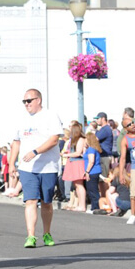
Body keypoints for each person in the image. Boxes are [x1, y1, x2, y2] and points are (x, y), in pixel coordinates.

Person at [9, 88, 62, 248]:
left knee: (46, 202)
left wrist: (35, 152)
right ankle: (31, 236)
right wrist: (12, 163)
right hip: (27, 168)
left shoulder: (50, 115)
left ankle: (46, 233)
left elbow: (54, 140)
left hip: (48, 167)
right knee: (30, 200)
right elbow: (16, 142)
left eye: (29, 101)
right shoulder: (21, 119)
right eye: (24, 101)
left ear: (38, 100)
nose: (26, 104)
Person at [62, 123, 87, 211]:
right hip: (73, 162)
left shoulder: (81, 139)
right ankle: (80, 205)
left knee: (79, 185)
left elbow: (78, 153)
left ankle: (82, 205)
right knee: (76, 185)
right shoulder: (74, 140)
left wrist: (66, 155)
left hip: (77, 162)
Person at [94, 112, 113, 201]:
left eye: (98, 118)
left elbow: (95, 139)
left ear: (103, 118)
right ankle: (103, 198)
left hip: (105, 157)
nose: (96, 120)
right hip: (102, 156)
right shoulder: (102, 129)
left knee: (104, 179)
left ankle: (107, 199)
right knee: (101, 180)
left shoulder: (105, 129)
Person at [83, 133, 103, 214]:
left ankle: (95, 207)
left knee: (92, 190)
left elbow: (91, 161)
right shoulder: (92, 148)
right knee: (92, 189)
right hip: (94, 171)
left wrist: (87, 171)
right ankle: (94, 207)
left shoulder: (91, 149)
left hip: (92, 171)